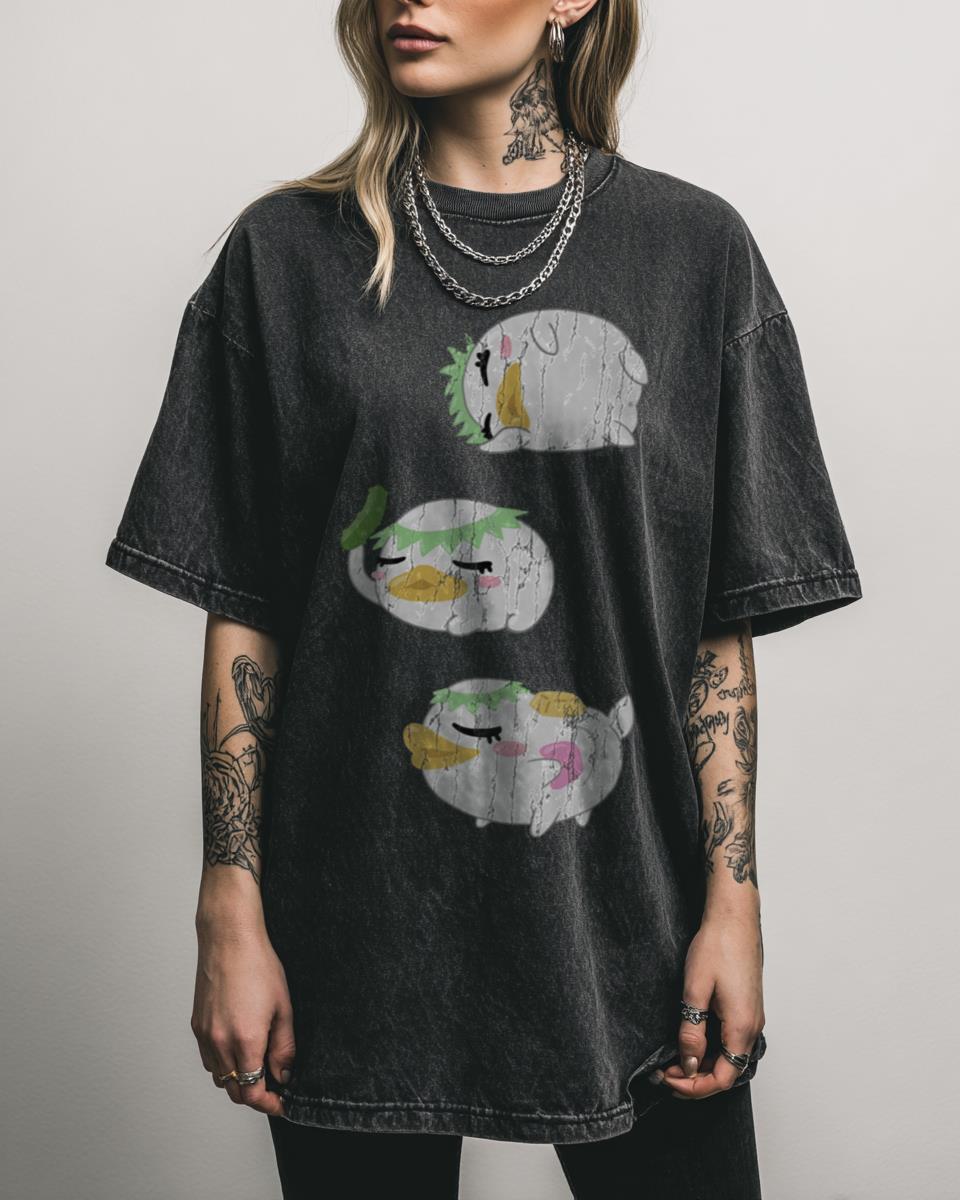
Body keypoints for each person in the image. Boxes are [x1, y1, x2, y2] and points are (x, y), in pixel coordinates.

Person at [103, 1, 863, 1196]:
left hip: (632, 920)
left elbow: (715, 632)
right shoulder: (285, 256)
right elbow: (245, 608)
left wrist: (735, 901)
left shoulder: (695, 254)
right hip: (353, 924)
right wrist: (229, 904)